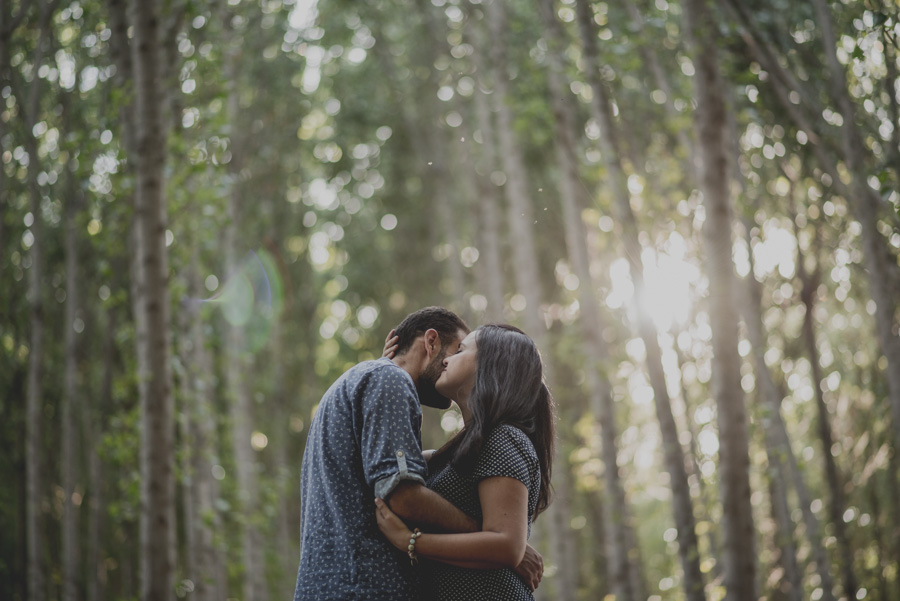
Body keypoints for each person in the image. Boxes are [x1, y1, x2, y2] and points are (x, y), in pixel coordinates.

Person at [293, 306, 479, 601]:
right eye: (457, 351)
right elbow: (404, 498)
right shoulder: (390, 380)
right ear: (431, 342)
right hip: (363, 588)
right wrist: (485, 536)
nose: (456, 363)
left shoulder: (363, 379)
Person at [375, 324, 555, 601]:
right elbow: (392, 460)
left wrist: (410, 542)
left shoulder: (504, 438)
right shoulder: (460, 450)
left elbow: (507, 546)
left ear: (491, 365)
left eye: (460, 350)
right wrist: (392, 371)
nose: (446, 358)